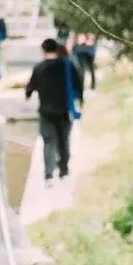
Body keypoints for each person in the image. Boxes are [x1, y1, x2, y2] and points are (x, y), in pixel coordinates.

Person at [25, 37, 84, 185]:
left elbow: (30, 87)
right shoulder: (67, 65)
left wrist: (29, 93)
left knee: (49, 142)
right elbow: (78, 83)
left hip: (46, 112)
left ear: (43, 51)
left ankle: (49, 175)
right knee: (64, 141)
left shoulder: (39, 68)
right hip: (64, 111)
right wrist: (80, 99)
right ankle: (64, 171)